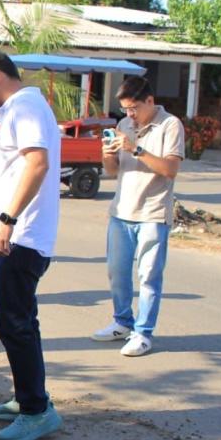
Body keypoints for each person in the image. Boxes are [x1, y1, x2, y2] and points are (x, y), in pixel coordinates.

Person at [0, 49, 63, 440]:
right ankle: (30, 398)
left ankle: (36, 411)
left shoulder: (25, 107)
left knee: (13, 323)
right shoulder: (22, 107)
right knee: (23, 320)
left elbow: (36, 164)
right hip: (23, 234)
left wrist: (7, 220)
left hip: (22, 235)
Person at [92, 77, 184, 357]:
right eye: (125, 109)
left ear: (149, 101)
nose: (130, 114)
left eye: (133, 108)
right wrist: (107, 153)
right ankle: (122, 322)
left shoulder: (170, 125)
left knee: (148, 276)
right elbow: (112, 170)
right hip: (121, 211)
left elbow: (170, 169)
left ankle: (143, 333)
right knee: (117, 273)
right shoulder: (123, 126)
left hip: (153, 213)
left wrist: (136, 148)